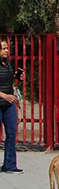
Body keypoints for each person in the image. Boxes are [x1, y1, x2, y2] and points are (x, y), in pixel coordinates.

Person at [0, 40, 23, 174]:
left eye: (7, 48)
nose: (6, 51)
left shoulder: (7, 64)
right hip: (2, 100)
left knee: (11, 133)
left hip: (8, 105)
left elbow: (10, 84)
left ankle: (9, 165)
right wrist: (3, 96)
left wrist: (18, 77)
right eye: (3, 49)